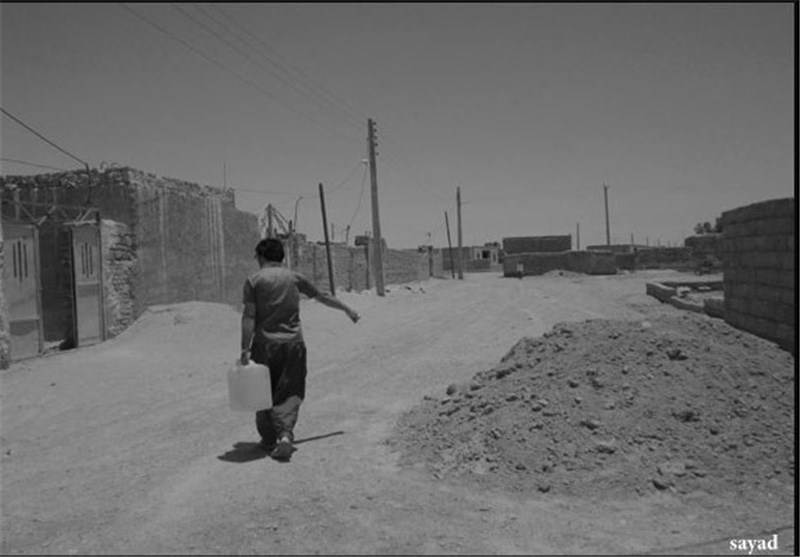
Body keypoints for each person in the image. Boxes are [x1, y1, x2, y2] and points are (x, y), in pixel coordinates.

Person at [240, 238, 360, 461]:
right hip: (293, 344)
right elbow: (322, 296)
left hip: (263, 345)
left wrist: (244, 349)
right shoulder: (294, 278)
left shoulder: (254, 281)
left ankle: (268, 438)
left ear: (262, 256)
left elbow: (249, 316)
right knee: (289, 390)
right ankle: (285, 435)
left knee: (262, 392)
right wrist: (347, 309)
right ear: (281, 256)